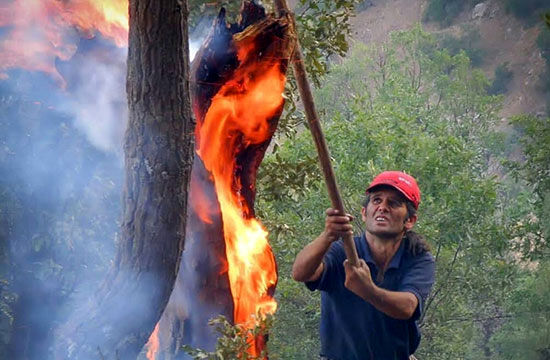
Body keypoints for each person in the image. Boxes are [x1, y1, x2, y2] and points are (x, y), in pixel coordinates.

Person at [292, 171, 435, 360]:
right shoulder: (340, 251)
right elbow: (301, 273)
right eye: (376, 201)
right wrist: (327, 236)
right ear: (364, 213)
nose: (383, 207)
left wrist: (368, 290)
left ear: (409, 221)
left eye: (393, 203)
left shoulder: (418, 259)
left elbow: (407, 307)